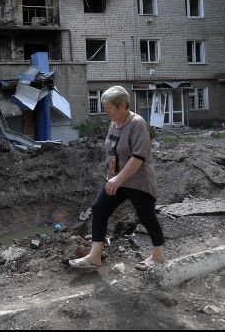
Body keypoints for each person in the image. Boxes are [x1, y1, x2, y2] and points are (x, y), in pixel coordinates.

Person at [69, 85, 166, 271]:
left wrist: (118, 179)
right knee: (99, 209)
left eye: (109, 108)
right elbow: (112, 150)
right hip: (117, 180)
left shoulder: (137, 124)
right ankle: (95, 257)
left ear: (122, 105)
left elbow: (138, 157)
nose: (106, 112)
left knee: (146, 217)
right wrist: (112, 176)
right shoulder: (114, 123)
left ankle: (158, 256)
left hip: (138, 181)